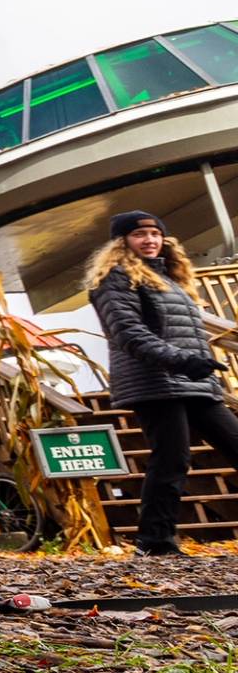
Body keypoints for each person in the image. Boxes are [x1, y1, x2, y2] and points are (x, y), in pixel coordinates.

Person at [89, 210, 238, 556]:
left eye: (155, 233)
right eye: (140, 234)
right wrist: (184, 361)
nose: (150, 240)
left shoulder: (171, 280)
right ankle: (155, 541)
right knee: (172, 460)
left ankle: (155, 539)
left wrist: (196, 364)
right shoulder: (115, 278)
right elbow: (129, 333)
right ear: (123, 241)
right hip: (154, 382)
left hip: (193, 382)